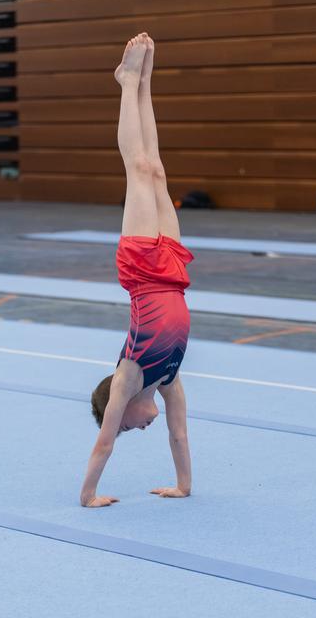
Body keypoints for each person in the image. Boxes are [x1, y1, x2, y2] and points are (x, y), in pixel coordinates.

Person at [80, 33, 195, 508]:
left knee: (136, 168)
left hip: (144, 271)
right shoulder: (166, 378)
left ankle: (128, 83)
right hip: (172, 268)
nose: (137, 429)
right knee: (157, 168)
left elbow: (103, 443)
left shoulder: (129, 376)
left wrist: (88, 495)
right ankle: (145, 80)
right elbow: (179, 433)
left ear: (119, 409)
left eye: (128, 425)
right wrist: (184, 486)